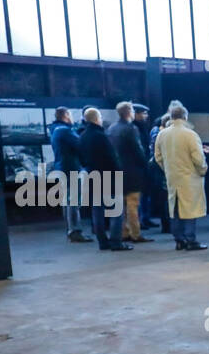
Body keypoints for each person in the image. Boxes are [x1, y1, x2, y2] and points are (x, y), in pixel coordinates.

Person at [155, 100, 209, 251]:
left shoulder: (162, 134)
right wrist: (203, 170)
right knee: (190, 209)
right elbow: (198, 158)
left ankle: (179, 240)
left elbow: (158, 157)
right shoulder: (190, 134)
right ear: (185, 117)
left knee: (175, 210)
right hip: (190, 178)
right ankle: (191, 240)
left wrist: (167, 170)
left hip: (172, 178)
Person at [76, 107, 131, 252]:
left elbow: (80, 158)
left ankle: (102, 242)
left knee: (97, 211)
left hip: (92, 176)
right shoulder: (101, 136)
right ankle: (116, 242)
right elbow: (112, 157)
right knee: (116, 211)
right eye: (100, 117)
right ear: (96, 118)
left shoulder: (82, 136)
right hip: (108, 177)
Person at [109, 101, 152, 243]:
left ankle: (124, 232)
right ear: (129, 112)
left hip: (116, 171)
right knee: (133, 204)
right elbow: (138, 150)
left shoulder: (111, 128)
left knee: (120, 205)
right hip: (132, 172)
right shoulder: (131, 129)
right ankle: (135, 233)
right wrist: (145, 165)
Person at [47, 107, 90, 243]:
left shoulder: (55, 130)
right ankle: (75, 231)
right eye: (70, 114)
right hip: (71, 169)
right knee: (73, 202)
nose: (72, 117)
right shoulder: (65, 131)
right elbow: (81, 145)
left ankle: (70, 230)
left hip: (62, 168)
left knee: (67, 201)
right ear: (65, 115)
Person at [132, 103, 156, 230]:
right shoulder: (134, 128)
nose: (146, 115)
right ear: (136, 113)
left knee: (146, 193)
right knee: (140, 195)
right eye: (143, 113)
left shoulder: (142, 127)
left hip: (144, 164)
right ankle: (140, 220)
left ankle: (145, 218)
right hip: (138, 166)